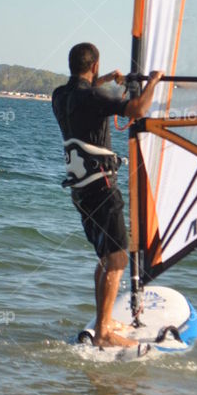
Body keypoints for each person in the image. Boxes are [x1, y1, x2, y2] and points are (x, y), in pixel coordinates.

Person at [52, 43, 162, 348]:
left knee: (105, 256)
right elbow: (138, 110)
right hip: (102, 188)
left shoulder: (59, 97)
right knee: (116, 259)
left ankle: (104, 320)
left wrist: (103, 82)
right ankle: (103, 331)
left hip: (80, 192)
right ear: (95, 65)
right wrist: (153, 81)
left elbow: (84, 92)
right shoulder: (95, 98)